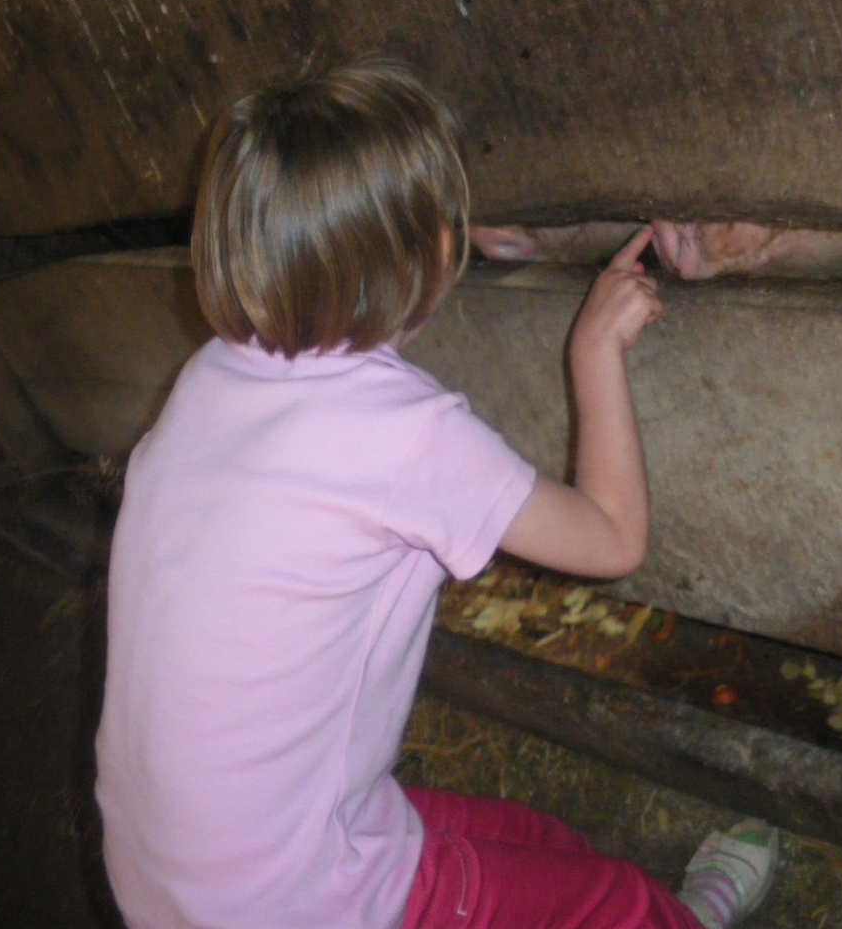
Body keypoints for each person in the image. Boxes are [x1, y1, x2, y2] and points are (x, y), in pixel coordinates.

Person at [94, 60, 776, 929]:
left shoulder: (210, 377)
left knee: (537, 844)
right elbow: (612, 539)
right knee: (617, 906)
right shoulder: (401, 434)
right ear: (448, 251)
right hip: (308, 903)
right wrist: (594, 349)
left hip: (177, 874)